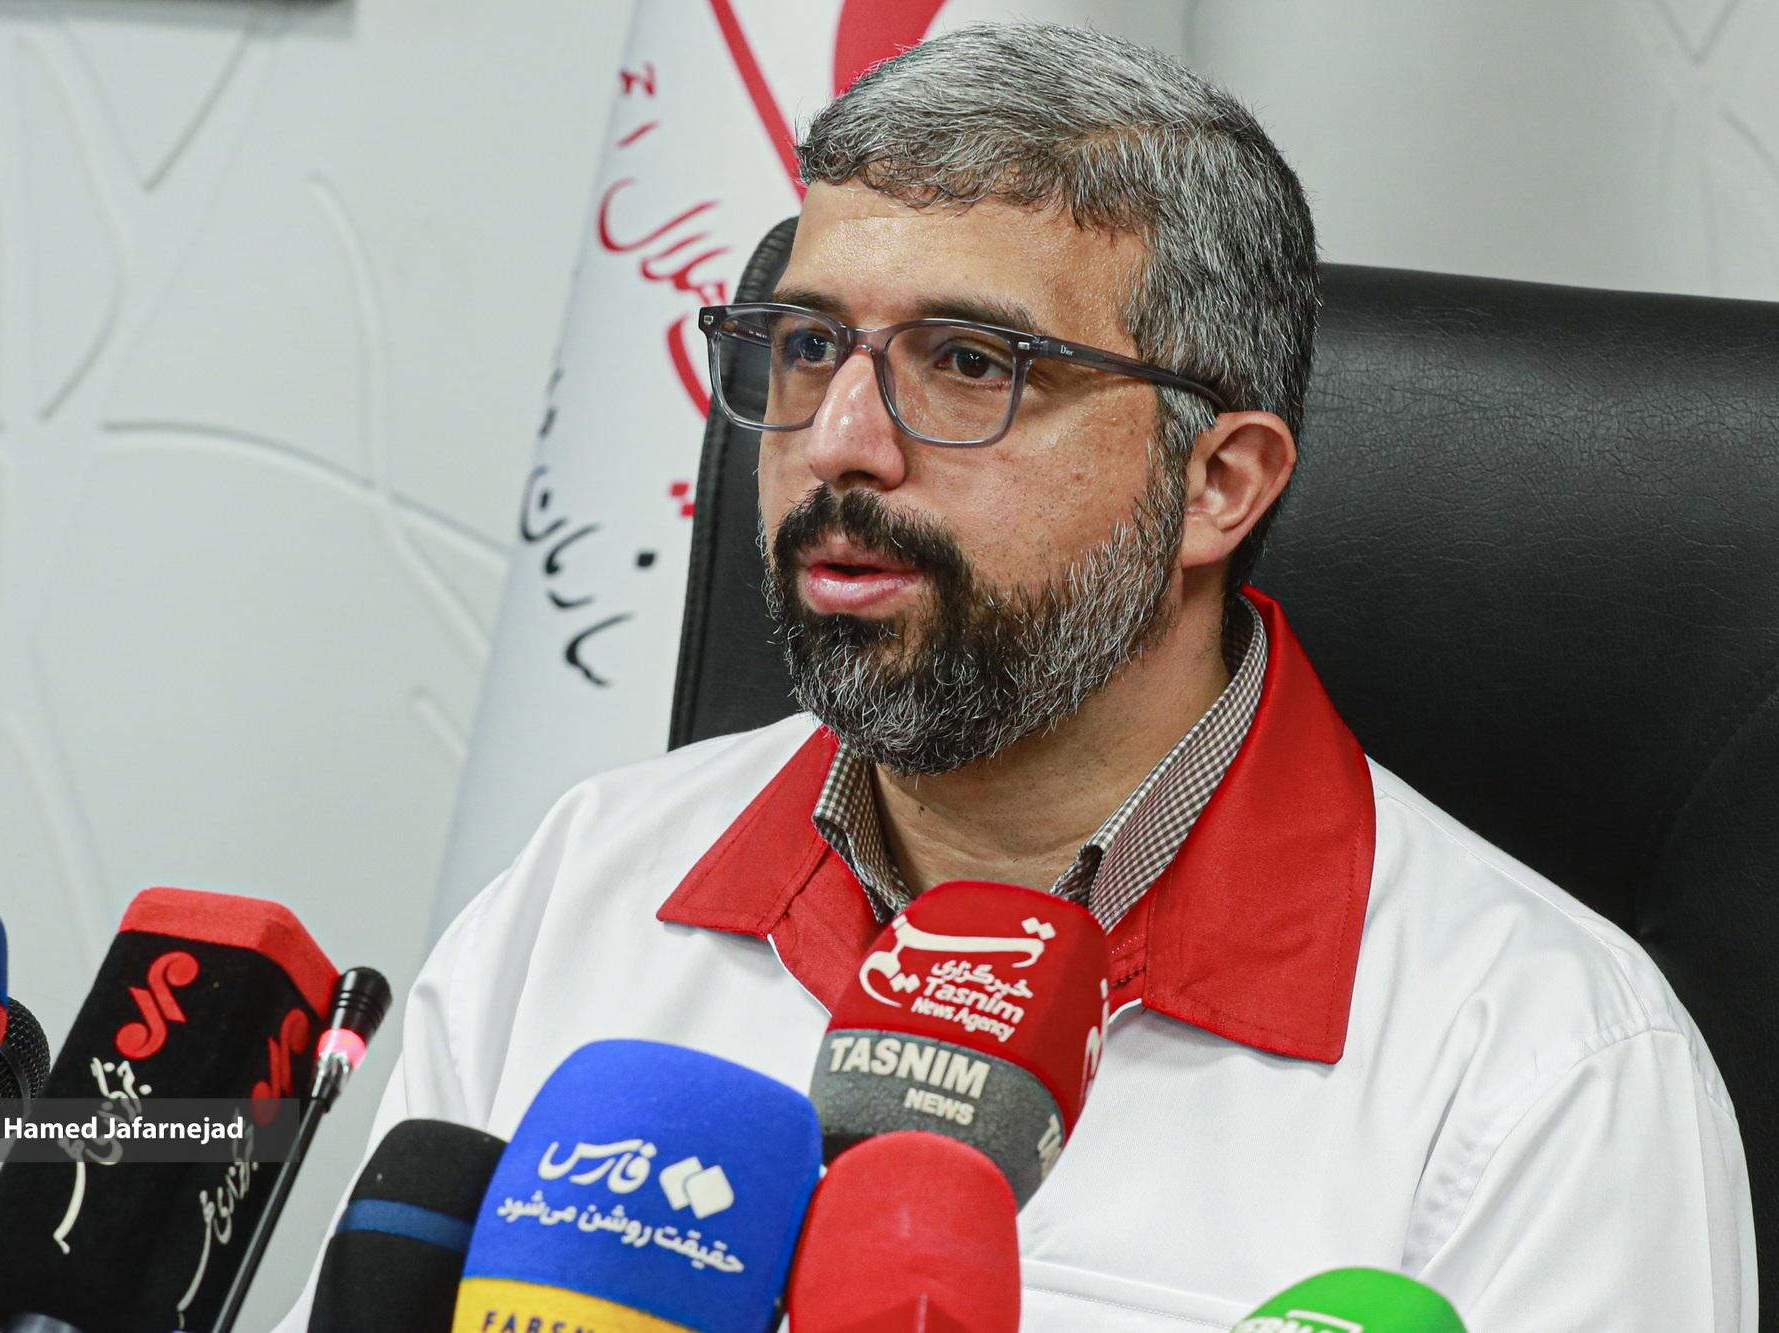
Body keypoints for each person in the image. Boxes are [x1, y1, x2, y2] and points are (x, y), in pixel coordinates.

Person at [278, 24, 1752, 1329]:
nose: (840, 441)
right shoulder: (588, 884)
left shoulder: (1542, 1061)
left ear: (1217, 485)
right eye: (809, 345)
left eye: (971, 362)